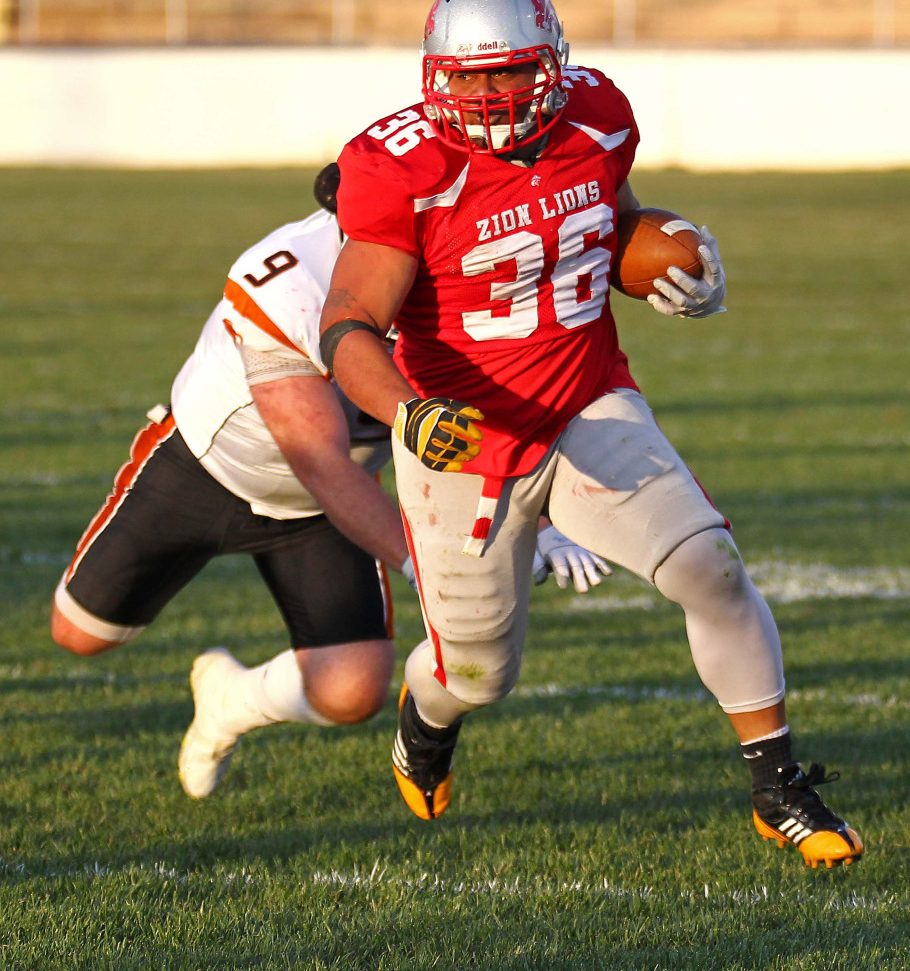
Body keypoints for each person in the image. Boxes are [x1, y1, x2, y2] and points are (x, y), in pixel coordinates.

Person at [318, 0, 863, 868]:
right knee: (480, 672)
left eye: (511, 73)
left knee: (711, 568)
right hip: (463, 435)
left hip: (584, 400)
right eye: (469, 78)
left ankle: (778, 785)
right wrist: (407, 414)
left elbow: (613, 227)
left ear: (555, 66)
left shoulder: (597, 115)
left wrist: (671, 265)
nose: (489, 96)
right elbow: (346, 324)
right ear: (433, 75)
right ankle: (429, 715)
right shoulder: (398, 165)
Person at [50, 163, 610, 801]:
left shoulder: (466, 279)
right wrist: (429, 566)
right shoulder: (290, 283)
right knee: (80, 635)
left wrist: (541, 516)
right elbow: (321, 463)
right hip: (206, 469)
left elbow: (509, 408)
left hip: (325, 511)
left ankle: (230, 699)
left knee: (351, 693)